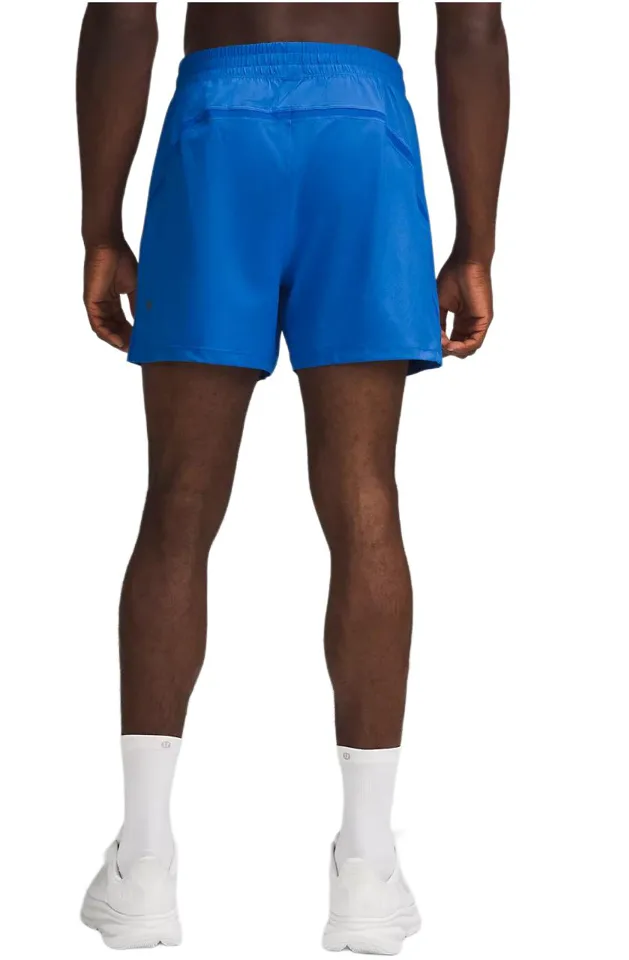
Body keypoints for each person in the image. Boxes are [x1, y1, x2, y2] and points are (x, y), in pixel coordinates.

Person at [74, 2, 507, 952]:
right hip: (363, 126)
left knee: (179, 504)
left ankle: (143, 862)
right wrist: (475, 243)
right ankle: (368, 868)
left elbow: (122, 14)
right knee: (365, 502)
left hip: (218, 122)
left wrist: (100, 225)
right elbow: (472, 25)